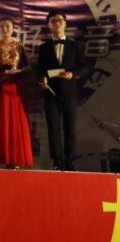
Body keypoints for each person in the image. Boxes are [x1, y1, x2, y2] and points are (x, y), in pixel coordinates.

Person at [37, 10, 90, 171]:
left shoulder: (75, 45)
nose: (57, 23)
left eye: (60, 20)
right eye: (53, 21)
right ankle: (57, 162)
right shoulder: (44, 47)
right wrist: (42, 80)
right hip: (50, 93)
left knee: (70, 128)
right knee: (53, 128)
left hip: (69, 93)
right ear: (49, 25)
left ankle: (70, 162)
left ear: (65, 23)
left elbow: (85, 67)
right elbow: (40, 70)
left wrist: (73, 74)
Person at [0, 16, 33, 169]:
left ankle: (15, 159)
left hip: (15, 86)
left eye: (8, 26)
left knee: (15, 121)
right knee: (2, 120)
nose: (5, 29)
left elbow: (28, 66)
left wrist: (18, 71)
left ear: (13, 28)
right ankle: (4, 158)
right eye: (2, 26)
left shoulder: (19, 45)